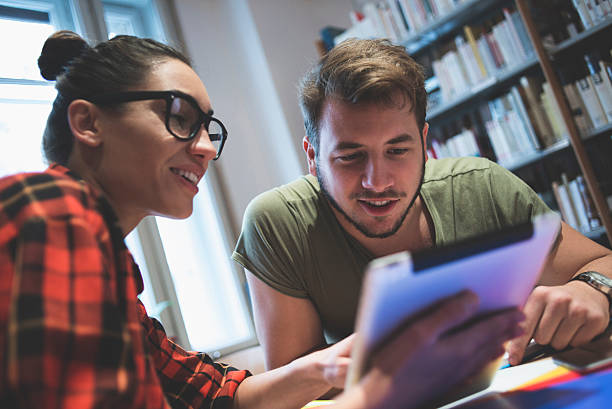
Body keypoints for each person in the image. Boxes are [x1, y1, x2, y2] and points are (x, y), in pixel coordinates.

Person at [0, 31, 524, 409]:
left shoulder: (110, 274)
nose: (205, 148)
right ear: (88, 122)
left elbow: (220, 397)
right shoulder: (52, 210)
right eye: (180, 118)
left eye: (209, 128)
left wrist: (350, 356)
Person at [232, 38, 612, 375]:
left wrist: (592, 289)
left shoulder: (482, 186)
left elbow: (601, 264)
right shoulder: (277, 225)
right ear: (312, 157)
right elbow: (292, 387)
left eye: (398, 150)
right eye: (350, 156)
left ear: (425, 141)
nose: (377, 181)